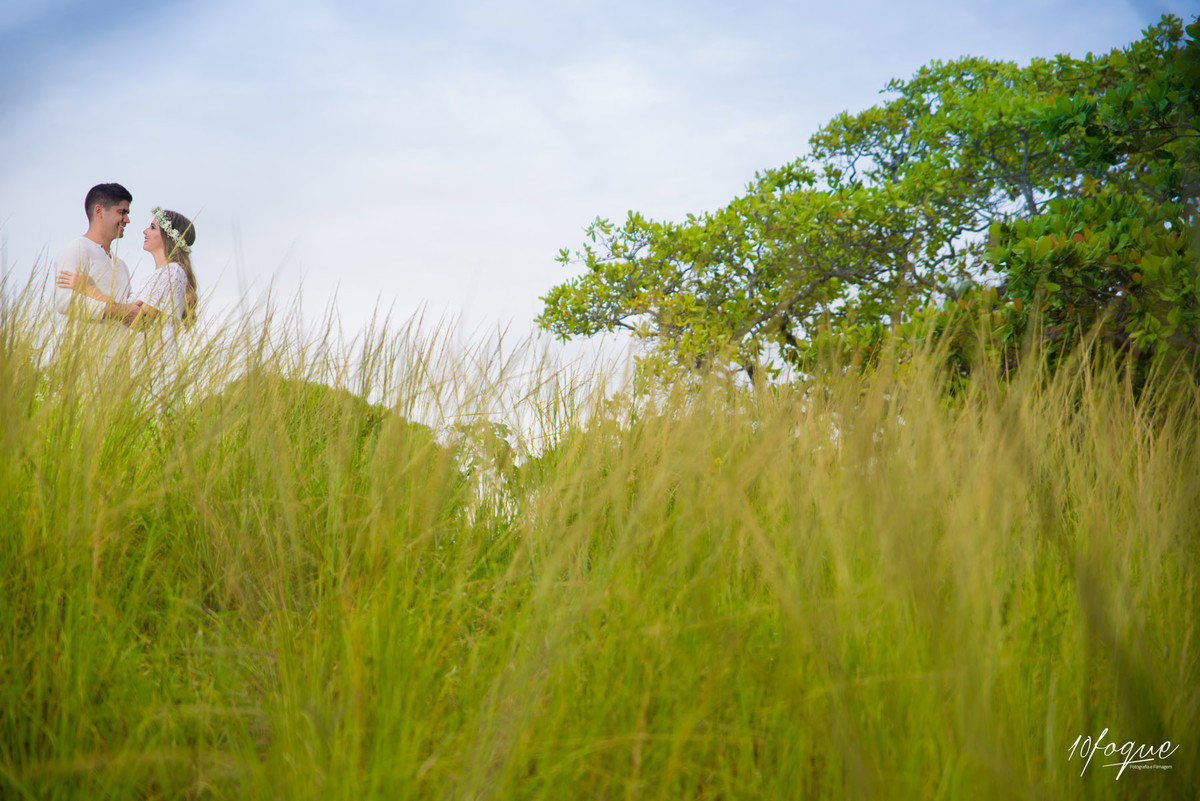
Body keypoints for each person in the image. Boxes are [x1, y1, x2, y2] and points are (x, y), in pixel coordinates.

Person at [57, 206, 198, 386]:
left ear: (167, 237)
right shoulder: (157, 276)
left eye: (153, 228)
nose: (145, 231)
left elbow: (137, 320)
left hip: (157, 368)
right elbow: (127, 312)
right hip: (141, 365)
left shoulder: (172, 272)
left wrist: (87, 288)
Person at [53, 183, 134, 362]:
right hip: (82, 360)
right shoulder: (77, 249)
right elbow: (65, 302)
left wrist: (90, 292)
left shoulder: (122, 266)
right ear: (99, 211)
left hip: (118, 364)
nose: (127, 220)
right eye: (122, 212)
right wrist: (119, 311)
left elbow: (131, 318)